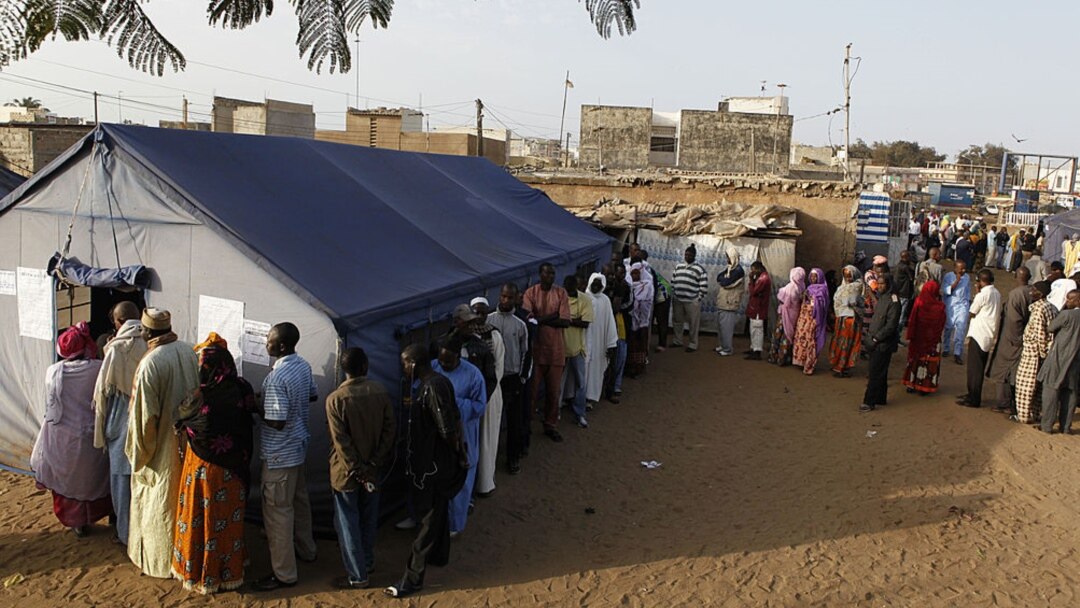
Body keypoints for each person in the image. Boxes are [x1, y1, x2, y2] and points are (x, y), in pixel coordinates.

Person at [172, 334, 259, 594]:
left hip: (203, 469)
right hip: (234, 470)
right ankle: (230, 569)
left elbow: (182, 421)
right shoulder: (242, 387)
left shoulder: (200, 396)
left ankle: (202, 572)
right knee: (228, 520)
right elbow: (250, 414)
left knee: (202, 519)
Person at [385, 344, 468, 599]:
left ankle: (412, 578)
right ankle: (440, 555)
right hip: (434, 465)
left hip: (433, 467)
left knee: (427, 521)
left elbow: (447, 429)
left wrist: (456, 455)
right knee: (439, 509)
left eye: (404, 364)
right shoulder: (434, 383)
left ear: (414, 363)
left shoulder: (432, 387)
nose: (403, 368)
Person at [126, 308, 199, 578]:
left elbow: (144, 417)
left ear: (148, 332)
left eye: (143, 330)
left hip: (160, 448)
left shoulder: (151, 363)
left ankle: (160, 562)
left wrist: (139, 455)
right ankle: (183, 559)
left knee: (159, 506)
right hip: (189, 442)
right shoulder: (189, 351)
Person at [253, 322, 319, 591]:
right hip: (298, 449)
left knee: (278, 514)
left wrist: (255, 404)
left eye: (268, 340)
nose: (265, 343)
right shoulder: (302, 365)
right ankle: (307, 549)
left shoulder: (277, 378)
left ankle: (284, 574)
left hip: (279, 454)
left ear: (280, 346)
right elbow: (312, 396)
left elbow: (276, 421)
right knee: (299, 502)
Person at [30, 322, 111, 538]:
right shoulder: (98, 368)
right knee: (94, 477)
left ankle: (77, 523)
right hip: (91, 436)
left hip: (63, 438)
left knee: (68, 481)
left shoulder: (53, 372)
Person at [324, 347, 395, 590]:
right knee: (368, 518)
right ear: (365, 367)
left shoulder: (334, 400)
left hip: (346, 475)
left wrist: (356, 470)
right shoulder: (381, 392)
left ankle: (357, 575)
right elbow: (389, 432)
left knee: (348, 524)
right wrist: (373, 463)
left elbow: (340, 441)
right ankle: (368, 562)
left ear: (345, 370)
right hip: (374, 470)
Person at [92, 301, 145, 545]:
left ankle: (125, 535)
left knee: (122, 483)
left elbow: (103, 393)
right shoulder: (152, 342)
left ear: (119, 322)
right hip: (146, 422)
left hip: (121, 421)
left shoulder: (116, 350)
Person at [433, 337, 486, 537]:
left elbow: (479, 406)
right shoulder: (434, 367)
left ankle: (455, 523)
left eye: (448, 362)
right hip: (438, 433)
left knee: (461, 477)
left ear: (458, 357)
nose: (444, 365)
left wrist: (452, 405)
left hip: (464, 432)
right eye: (441, 361)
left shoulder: (473, 375)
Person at [523, 262, 571, 443]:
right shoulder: (531, 293)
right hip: (536, 352)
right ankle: (526, 425)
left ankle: (550, 425)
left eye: (553, 274)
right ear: (540, 274)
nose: (551, 277)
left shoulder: (561, 293)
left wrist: (541, 319)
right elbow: (528, 320)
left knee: (553, 392)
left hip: (556, 351)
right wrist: (553, 316)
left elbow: (566, 321)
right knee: (532, 392)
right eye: (547, 273)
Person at [486, 283, 529, 475]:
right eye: (503, 296)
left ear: (516, 298)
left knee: (513, 421)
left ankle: (512, 457)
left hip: (512, 379)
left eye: (509, 297)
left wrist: (522, 378)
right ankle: (489, 463)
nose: (505, 300)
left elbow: (527, 353)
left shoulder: (520, 324)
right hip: (493, 379)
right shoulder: (488, 320)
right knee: (490, 422)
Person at [469, 298, 504, 498]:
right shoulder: (465, 335)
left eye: (483, 313)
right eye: (476, 312)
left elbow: (498, 368)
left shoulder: (494, 335)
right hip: (469, 398)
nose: (479, 317)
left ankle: (485, 483)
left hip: (490, 395)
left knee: (487, 439)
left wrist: (484, 395)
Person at [986, 267, 1032, 414]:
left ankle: (1004, 403)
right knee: (1015, 371)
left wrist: (1016, 339)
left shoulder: (1016, 295)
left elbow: (1013, 320)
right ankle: (1013, 402)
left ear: (1016, 277)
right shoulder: (1032, 292)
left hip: (1011, 339)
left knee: (1002, 371)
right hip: (1024, 337)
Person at [957, 270, 1002, 408]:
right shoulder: (997, 293)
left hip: (979, 334)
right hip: (988, 334)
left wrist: (977, 292)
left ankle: (973, 398)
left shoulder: (983, 294)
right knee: (979, 368)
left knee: (974, 369)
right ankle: (972, 394)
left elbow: (972, 311)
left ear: (980, 281)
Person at [1037, 290, 1080, 434]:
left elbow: (1050, 327)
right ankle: (1065, 427)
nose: (1067, 301)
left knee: (1050, 391)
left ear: (1077, 301)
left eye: (1070, 299)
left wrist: (1063, 309)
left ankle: (1047, 426)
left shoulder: (1067, 315)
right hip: (1075, 361)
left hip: (1059, 358)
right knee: (1070, 393)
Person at [860, 275, 902, 412]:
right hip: (874, 340)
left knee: (875, 373)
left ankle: (869, 401)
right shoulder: (882, 298)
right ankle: (880, 398)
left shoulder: (894, 301)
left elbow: (891, 325)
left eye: (882, 284)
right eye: (878, 283)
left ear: (888, 284)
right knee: (880, 372)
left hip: (883, 343)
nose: (879, 286)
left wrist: (876, 338)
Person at [1015, 281, 1055, 424]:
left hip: (1033, 353)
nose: (1031, 292)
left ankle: (1024, 416)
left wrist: (1042, 353)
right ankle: (1035, 413)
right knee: (1037, 387)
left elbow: (1040, 334)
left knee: (1025, 386)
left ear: (1041, 294)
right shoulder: (1051, 307)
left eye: (1034, 290)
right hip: (1043, 353)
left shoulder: (1039, 310)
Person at [559, 275, 593, 429]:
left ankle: (580, 414)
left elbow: (585, 323)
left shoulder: (584, 300)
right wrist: (573, 320)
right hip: (560, 348)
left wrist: (567, 320)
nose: (569, 294)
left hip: (577, 349)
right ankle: (555, 411)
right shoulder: (560, 298)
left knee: (581, 383)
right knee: (558, 383)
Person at [902, 281, 947, 395]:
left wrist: (911, 335)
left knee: (915, 360)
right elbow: (942, 324)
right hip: (933, 341)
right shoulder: (940, 307)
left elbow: (912, 319)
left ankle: (911, 384)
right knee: (928, 363)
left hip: (918, 338)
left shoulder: (919, 301)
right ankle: (924, 387)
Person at [583, 273, 617, 411]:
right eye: (594, 283)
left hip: (598, 343)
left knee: (594, 371)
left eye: (599, 284)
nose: (596, 286)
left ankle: (589, 398)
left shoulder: (605, 300)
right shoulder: (583, 297)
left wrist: (610, 344)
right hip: (583, 341)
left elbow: (610, 323)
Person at [671, 244, 708, 352]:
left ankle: (692, 344)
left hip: (692, 301)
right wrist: (674, 293)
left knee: (693, 323)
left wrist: (698, 298)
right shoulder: (679, 266)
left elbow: (704, 286)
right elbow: (673, 281)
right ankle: (677, 341)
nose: (687, 256)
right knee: (677, 321)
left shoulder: (699, 269)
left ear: (694, 256)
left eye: (689, 255)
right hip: (678, 300)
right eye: (685, 254)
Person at [604, 263, 632, 404]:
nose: (619, 275)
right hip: (611, 326)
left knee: (619, 358)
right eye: (617, 273)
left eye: (622, 273)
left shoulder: (626, 287)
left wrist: (616, 307)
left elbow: (624, 306)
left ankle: (615, 387)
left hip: (621, 326)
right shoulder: (609, 287)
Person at [792, 268, 828, 375]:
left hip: (813, 318)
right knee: (802, 339)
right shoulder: (808, 288)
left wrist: (813, 298)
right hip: (804, 319)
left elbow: (823, 305)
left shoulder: (823, 290)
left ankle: (809, 365)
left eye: (815, 276)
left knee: (811, 340)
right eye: (811, 276)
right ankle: (802, 361)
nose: (812, 278)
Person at [829, 265, 863, 377]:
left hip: (850, 319)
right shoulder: (841, 287)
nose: (848, 278)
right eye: (846, 276)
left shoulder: (857, 286)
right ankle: (837, 363)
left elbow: (853, 301)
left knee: (846, 343)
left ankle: (843, 366)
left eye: (850, 275)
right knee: (839, 341)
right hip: (841, 318)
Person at [768, 267, 806, 367]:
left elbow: (782, 299)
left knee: (778, 334)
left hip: (785, 313)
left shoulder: (790, 287)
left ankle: (774, 357)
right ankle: (784, 358)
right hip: (794, 314)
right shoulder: (802, 287)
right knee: (788, 335)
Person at [714, 247, 744, 357]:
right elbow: (719, 277)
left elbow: (726, 282)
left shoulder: (738, 271)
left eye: (728, 257)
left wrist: (723, 280)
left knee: (727, 328)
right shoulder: (730, 269)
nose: (727, 259)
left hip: (730, 304)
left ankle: (727, 349)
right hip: (723, 303)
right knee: (721, 327)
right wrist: (723, 280)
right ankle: (722, 345)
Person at [941, 260, 972, 364]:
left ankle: (957, 352)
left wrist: (968, 304)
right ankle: (946, 348)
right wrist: (956, 281)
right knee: (948, 327)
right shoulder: (948, 276)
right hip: (950, 305)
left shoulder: (967, 277)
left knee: (961, 328)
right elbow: (945, 290)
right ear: (955, 268)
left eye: (964, 268)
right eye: (961, 269)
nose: (963, 270)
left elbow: (967, 291)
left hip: (962, 306)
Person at [627, 262, 654, 376]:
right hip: (631, 320)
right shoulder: (628, 285)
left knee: (641, 345)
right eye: (632, 273)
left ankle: (639, 368)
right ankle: (631, 367)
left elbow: (646, 302)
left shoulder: (647, 285)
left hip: (642, 322)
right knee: (632, 345)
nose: (635, 276)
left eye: (637, 273)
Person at [744, 262, 771, 360]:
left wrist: (751, 280)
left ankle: (757, 351)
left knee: (757, 329)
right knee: (753, 329)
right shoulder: (761, 277)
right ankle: (753, 348)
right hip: (755, 307)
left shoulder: (763, 279)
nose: (752, 272)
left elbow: (753, 291)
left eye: (753, 270)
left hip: (759, 309)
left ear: (758, 269)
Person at [895, 250, 916, 333]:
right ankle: (897, 335)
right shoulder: (905, 267)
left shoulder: (898, 265)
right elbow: (911, 278)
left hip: (897, 292)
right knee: (901, 315)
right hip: (904, 293)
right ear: (906, 257)